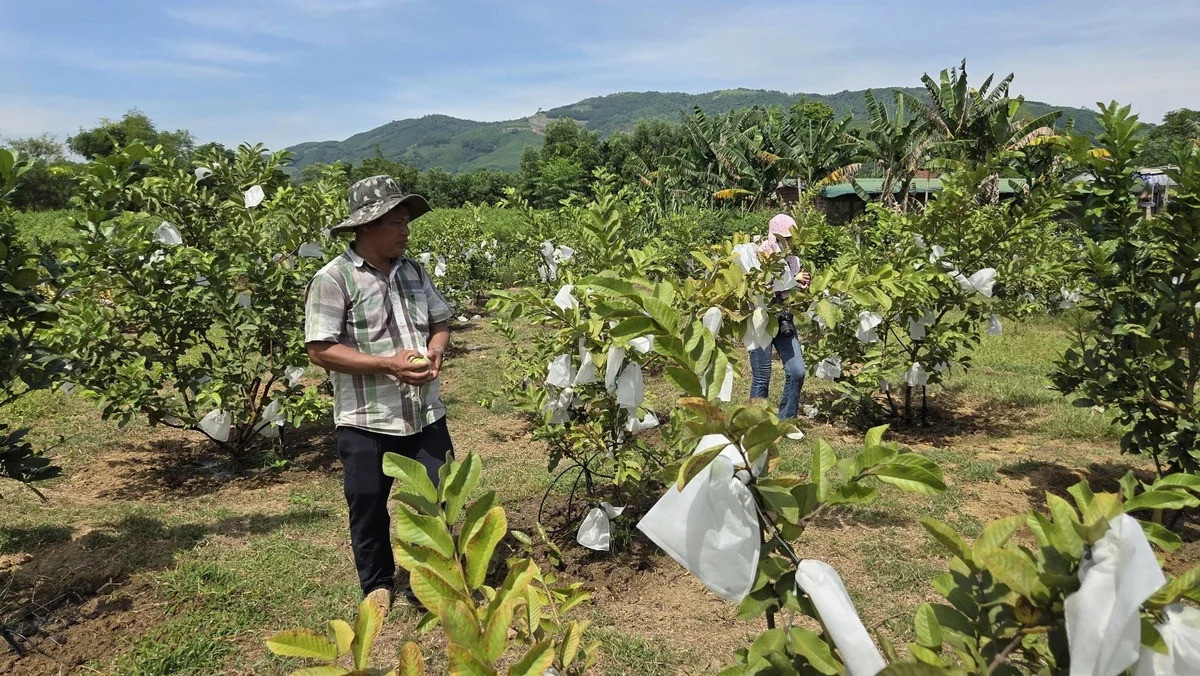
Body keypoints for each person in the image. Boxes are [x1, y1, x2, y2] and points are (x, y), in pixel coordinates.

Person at [304, 175, 454, 619]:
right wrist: (388, 364)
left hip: (424, 413)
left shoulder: (414, 272)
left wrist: (435, 351)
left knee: (440, 496)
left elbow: (441, 322)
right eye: (397, 222)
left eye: (407, 222)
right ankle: (377, 583)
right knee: (368, 505)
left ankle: (435, 575)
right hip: (366, 418)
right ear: (367, 226)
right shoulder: (334, 279)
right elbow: (320, 349)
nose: (406, 231)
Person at [749, 214, 811, 432]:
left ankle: (786, 421)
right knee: (762, 377)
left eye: (791, 238)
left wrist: (803, 285)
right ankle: (755, 426)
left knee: (797, 371)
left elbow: (794, 294)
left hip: (783, 318)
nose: (788, 243)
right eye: (785, 238)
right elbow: (760, 288)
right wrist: (792, 280)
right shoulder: (760, 255)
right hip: (760, 320)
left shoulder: (794, 260)